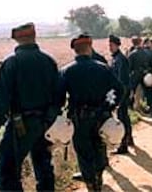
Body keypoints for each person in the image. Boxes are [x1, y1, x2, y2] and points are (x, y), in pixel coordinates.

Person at [0, 23, 59, 191]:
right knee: (44, 167)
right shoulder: (49, 61)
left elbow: (2, 100)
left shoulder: (11, 63)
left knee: (8, 171)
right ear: (34, 37)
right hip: (45, 123)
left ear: (17, 39)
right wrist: (50, 118)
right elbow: (58, 96)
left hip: (20, 125)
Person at [59, 34, 123, 191]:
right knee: (99, 148)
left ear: (75, 50)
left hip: (79, 118)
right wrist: (110, 106)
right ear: (90, 48)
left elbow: (59, 97)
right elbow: (120, 90)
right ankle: (98, 178)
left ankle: (91, 183)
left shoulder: (66, 71)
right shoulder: (103, 68)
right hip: (101, 117)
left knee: (83, 151)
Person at [108, 35, 134, 154]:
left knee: (122, 119)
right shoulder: (116, 58)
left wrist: (119, 99)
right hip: (121, 92)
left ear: (117, 45)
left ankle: (123, 145)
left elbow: (122, 81)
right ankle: (129, 139)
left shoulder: (120, 59)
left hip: (121, 93)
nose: (110, 47)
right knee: (124, 117)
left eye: (111, 45)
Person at [128, 36, 150, 111]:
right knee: (146, 91)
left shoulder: (132, 54)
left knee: (132, 91)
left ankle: (131, 106)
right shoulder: (145, 53)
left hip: (135, 74)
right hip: (144, 73)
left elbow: (129, 67)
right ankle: (147, 106)